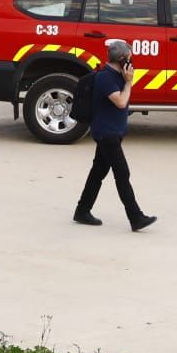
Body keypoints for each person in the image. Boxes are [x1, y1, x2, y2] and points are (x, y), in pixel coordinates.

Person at [73, 39, 156, 232]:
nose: (132, 62)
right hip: (106, 134)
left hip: (113, 133)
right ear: (122, 59)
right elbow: (120, 102)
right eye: (130, 59)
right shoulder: (106, 78)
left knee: (97, 173)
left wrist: (126, 80)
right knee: (122, 173)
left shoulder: (117, 74)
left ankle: (82, 210)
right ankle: (136, 217)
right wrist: (128, 83)